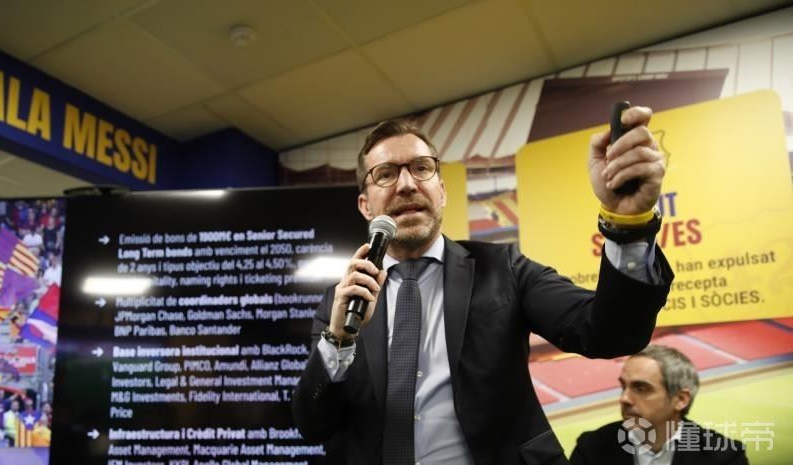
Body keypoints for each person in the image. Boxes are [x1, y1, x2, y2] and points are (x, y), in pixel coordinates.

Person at [292, 112, 675, 465]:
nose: (407, 185)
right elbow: (313, 424)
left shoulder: (503, 268)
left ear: (442, 190)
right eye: (386, 174)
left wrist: (627, 222)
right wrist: (339, 339)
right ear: (365, 206)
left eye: (421, 168)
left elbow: (608, 333)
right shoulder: (340, 302)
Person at [570, 345, 748, 464]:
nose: (624, 398)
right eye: (624, 386)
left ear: (680, 399)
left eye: (641, 388)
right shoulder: (592, 447)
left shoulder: (724, 456)